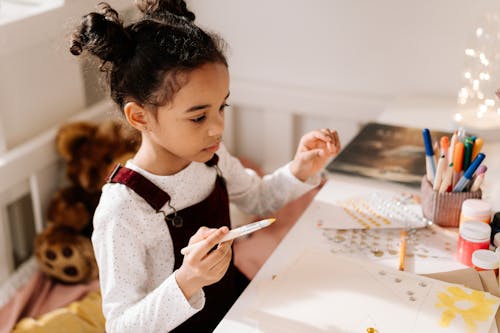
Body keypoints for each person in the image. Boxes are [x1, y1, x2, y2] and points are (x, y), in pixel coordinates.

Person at [70, 1, 341, 332]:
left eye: (221, 107)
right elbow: (122, 326)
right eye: (198, 116)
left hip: (234, 310)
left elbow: (258, 200)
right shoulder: (122, 210)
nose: (217, 128)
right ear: (139, 116)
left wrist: (299, 168)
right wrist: (187, 280)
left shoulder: (211, 157)